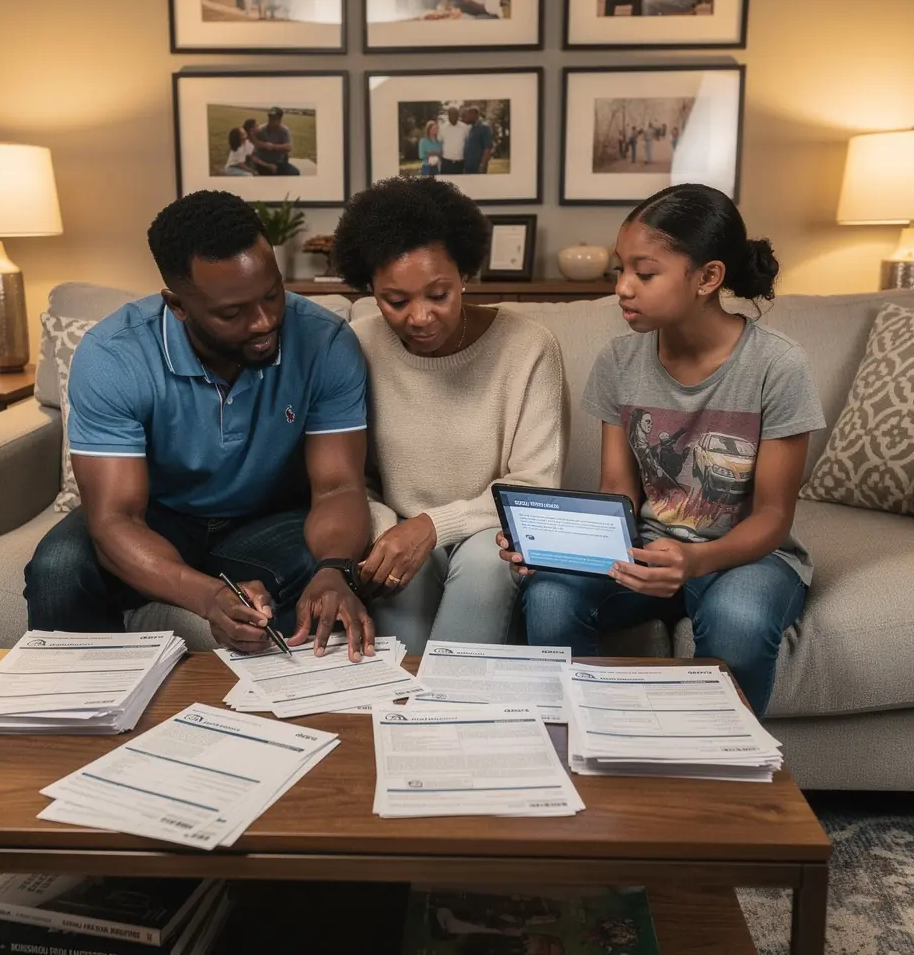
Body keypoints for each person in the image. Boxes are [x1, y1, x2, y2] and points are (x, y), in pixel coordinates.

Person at [499, 183, 825, 717]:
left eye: (644, 273)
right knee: (552, 594)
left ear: (708, 277)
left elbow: (772, 515)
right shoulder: (618, 362)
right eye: (619, 270)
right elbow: (617, 492)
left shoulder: (777, 366)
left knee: (739, 618)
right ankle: (583, 744)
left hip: (746, 555)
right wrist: (555, 548)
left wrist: (696, 558)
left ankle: (718, 771)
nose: (623, 288)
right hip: (646, 547)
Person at [24, 190, 377, 662]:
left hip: (268, 518)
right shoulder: (114, 356)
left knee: (319, 575)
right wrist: (208, 596)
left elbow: (337, 488)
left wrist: (336, 569)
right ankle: (88, 721)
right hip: (158, 516)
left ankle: (291, 720)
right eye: (233, 312)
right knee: (60, 567)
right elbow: (115, 520)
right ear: (178, 306)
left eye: (273, 294)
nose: (265, 320)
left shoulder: (324, 342)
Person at [333, 177, 565, 654]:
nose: (419, 317)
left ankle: (451, 710)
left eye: (438, 295)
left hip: (493, 530)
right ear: (369, 288)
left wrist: (433, 525)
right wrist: (386, 531)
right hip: (398, 526)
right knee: (397, 572)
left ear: (464, 274)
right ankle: (407, 715)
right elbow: (353, 476)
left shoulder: (528, 346)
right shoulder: (358, 344)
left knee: (486, 561)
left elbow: (536, 482)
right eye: (395, 301)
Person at [251, 107, 300, 176]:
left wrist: (273, 146)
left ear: (280, 120)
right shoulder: (261, 129)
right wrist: (264, 145)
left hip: (278, 163)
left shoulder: (284, 131)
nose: (271, 120)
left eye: (274, 118)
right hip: (262, 162)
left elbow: (289, 147)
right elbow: (253, 141)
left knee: (295, 173)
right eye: (270, 117)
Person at [462, 107, 494, 175]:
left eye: (467, 115)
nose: (465, 117)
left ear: (473, 115)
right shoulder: (470, 128)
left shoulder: (484, 128)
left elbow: (488, 148)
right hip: (468, 167)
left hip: (477, 167)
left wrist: (483, 165)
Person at [438, 106, 469, 174]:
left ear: (458, 115)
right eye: (451, 114)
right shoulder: (442, 128)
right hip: (446, 162)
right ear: (448, 115)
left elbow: (468, 142)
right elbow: (439, 143)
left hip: (460, 162)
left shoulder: (465, 127)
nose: (454, 116)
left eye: (455, 114)